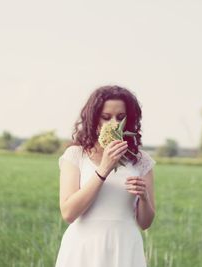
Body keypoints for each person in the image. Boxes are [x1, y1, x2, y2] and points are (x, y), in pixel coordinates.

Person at [55, 85, 156, 267]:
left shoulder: (141, 160)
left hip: (125, 246)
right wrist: (103, 169)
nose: (114, 124)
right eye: (106, 117)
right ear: (94, 120)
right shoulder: (76, 155)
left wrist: (144, 197)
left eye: (121, 117)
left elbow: (145, 223)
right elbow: (69, 213)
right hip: (83, 248)